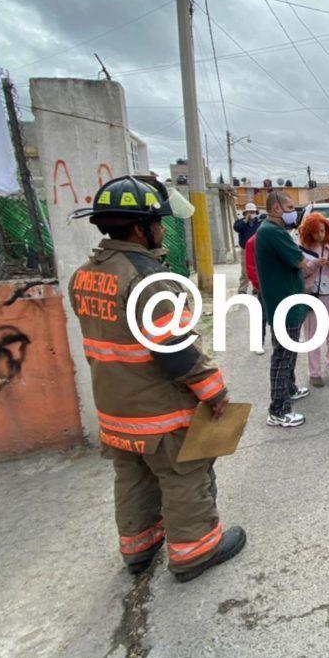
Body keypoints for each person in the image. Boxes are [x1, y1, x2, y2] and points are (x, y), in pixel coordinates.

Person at [68, 176, 245, 582]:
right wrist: (214, 392)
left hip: (114, 409)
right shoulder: (148, 279)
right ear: (140, 227)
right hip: (158, 412)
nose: (163, 230)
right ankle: (195, 550)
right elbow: (176, 350)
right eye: (159, 223)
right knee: (184, 473)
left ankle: (139, 546)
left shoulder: (85, 274)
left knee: (132, 477)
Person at [255, 190, 311, 428]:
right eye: (289, 207)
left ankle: (289, 388)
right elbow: (300, 262)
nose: (293, 212)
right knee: (283, 355)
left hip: (289, 300)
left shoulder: (275, 231)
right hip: (283, 303)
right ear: (276, 208)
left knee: (289, 352)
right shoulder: (273, 232)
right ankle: (278, 409)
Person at [299, 212, 329, 388]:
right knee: (313, 334)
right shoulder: (301, 248)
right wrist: (313, 264)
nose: (320, 235)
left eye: (322, 230)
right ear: (308, 232)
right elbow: (299, 273)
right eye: (315, 232)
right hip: (312, 295)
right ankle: (314, 372)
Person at [243, 226, 268, 354]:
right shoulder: (252, 242)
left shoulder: (276, 238)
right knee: (261, 314)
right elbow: (250, 266)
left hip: (279, 284)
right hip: (263, 285)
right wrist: (258, 284)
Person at [233, 202, 260, 293]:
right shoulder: (240, 222)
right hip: (245, 249)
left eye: (253, 212)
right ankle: (242, 289)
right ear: (245, 213)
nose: (251, 214)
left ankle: (256, 288)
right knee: (245, 271)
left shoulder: (259, 223)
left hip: (257, 249)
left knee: (257, 269)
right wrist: (245, 220)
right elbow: (237, 228)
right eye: (249, 212)